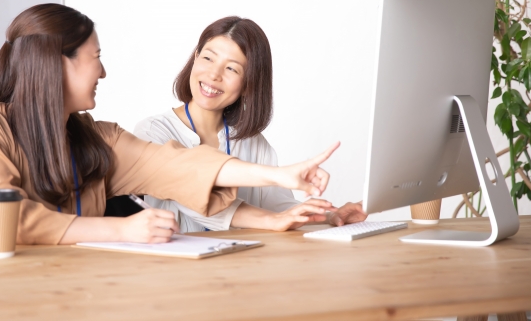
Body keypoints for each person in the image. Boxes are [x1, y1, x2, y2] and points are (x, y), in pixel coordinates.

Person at [0, 4, 340, 246]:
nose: (103, 71)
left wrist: (283, 177)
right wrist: (121, 230)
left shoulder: (96, 138)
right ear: (59, 64)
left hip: (82, 287)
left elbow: (179, 166)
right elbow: (9, 222)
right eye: (96, 57)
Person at [134, 16, 366, 233]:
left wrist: (329, 216)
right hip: (175, 269)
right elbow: (190, 197)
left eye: (232, 68)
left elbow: (279, 207)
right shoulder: (153, 132)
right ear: (195, 58)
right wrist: (273, 215)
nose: (214, 74)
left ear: (248, 84)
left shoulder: (252, 142)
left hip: (242, 267)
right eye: (208, 58)